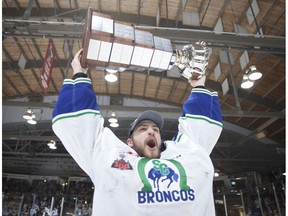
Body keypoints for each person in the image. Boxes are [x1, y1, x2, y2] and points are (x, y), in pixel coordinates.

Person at [52, 49, 223, 216]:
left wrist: (199, 84)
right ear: (130, 142)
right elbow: (79, 124)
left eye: (156, 129)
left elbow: (201, 126)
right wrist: (80, 73)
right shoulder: (109, 157)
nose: (151, 131)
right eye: (143, 129)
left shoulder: (186, 154)